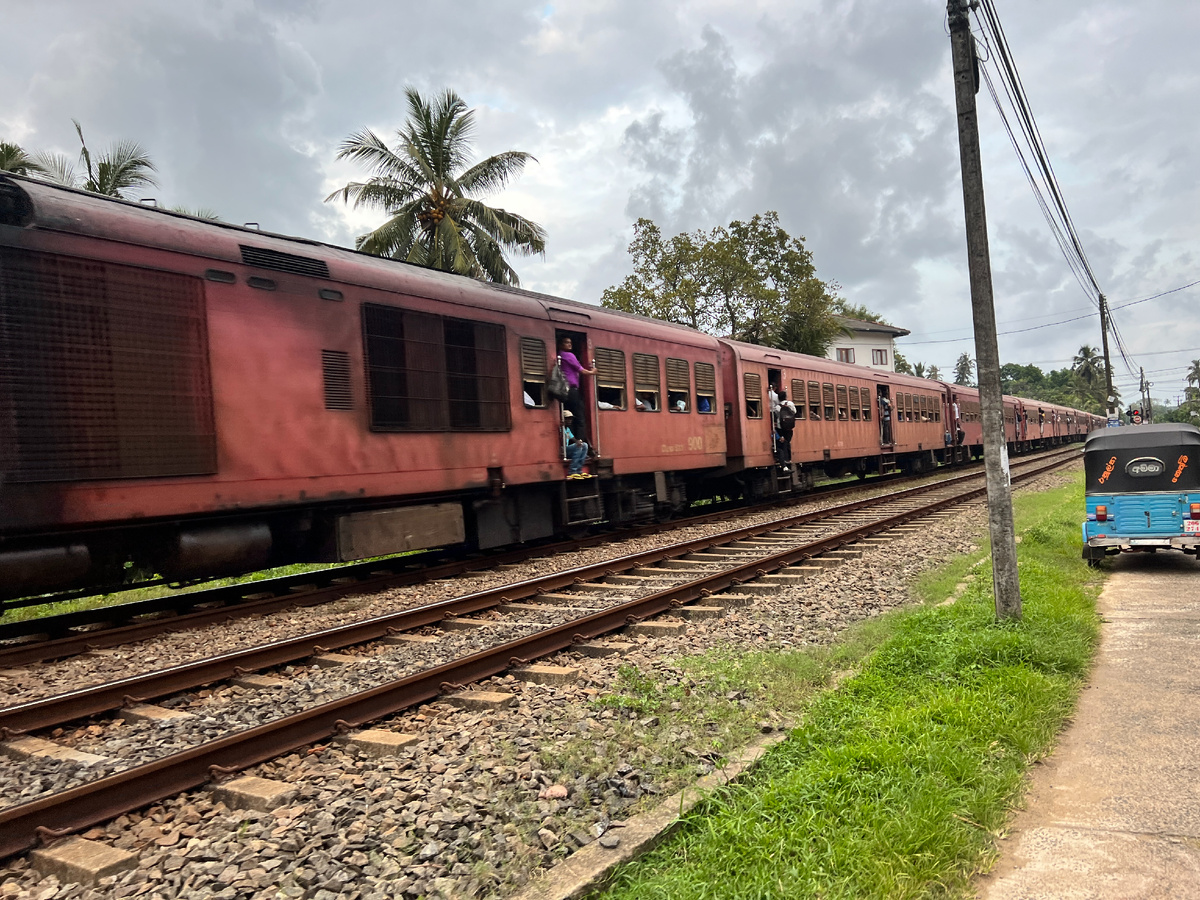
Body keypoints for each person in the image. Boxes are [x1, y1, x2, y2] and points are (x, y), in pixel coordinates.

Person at [557, 336, 596, 445]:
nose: (569, 344)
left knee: (569, 417)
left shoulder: (560, 355)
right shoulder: (568, 355)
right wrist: (593, 372)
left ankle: (569, 442)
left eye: (570, 342)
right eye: (566, 342)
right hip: (572, 390)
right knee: (580, 417)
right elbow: (582, 371)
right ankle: (580, 442)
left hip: (564, 391)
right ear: (560, 345)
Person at [562, 411, 589, 477]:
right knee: (577, 446)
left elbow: (574, 439)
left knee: (585, 445)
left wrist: (579, 441)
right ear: (563, 419)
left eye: (570, 419)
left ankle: (579, 470)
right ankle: (572, 470)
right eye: (567, 418)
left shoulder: (567, 429)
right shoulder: (560, 429)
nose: (570, 420)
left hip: (567, 450)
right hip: (562, 450)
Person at [777, 388, 797, 471]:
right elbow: (794, 412)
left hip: (780, 427)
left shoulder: (777, 407)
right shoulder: (790, 404)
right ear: (785, 397)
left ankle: (785, 459)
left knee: (783, 442)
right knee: (787, 442)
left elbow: (777, 415)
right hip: (789, 426)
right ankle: (788, 458)